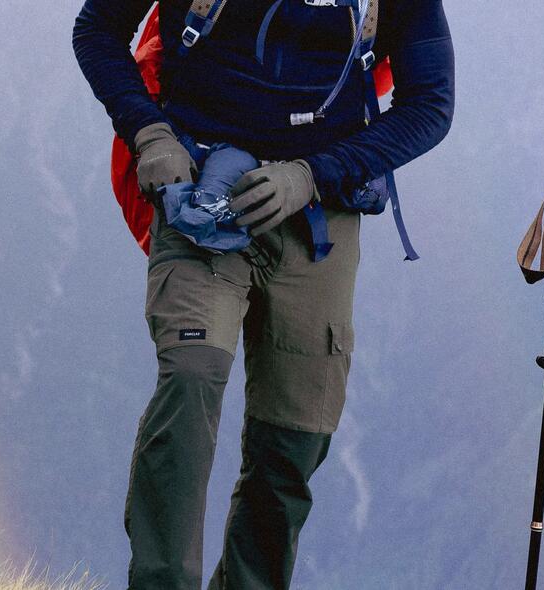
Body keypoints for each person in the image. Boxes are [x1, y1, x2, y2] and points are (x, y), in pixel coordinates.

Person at [72, 0, 453, 588]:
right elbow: (97, 27)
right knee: (191, 380)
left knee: (294, 442)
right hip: (201, 193)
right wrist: (150, 134)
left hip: (320, 215)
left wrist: (311, 175)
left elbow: (431, 104)